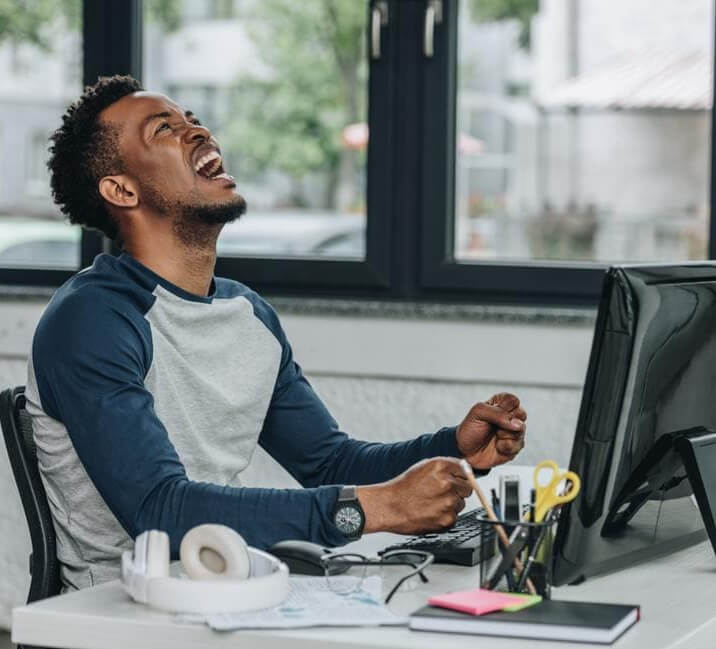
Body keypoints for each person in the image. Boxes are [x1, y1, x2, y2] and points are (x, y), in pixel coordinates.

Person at [26, 75, 527, 590]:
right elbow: (161, 510)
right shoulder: (92, 320)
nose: (197, 132)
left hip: (224, 589)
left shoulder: (247, 314)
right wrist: (372, 509)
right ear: (121, 189)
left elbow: (331, 462)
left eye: (193, 120)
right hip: (117, 614)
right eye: (164, 130)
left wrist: (453, 449)